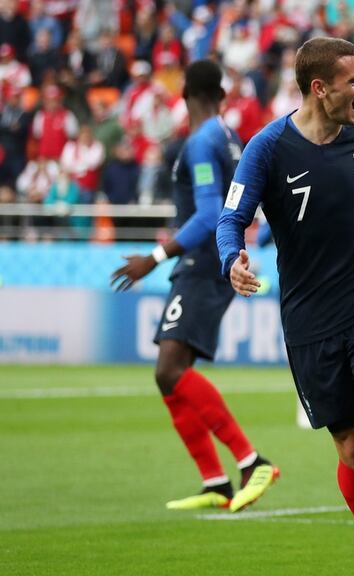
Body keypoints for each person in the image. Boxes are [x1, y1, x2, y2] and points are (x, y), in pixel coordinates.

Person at [215, 37, 354, 576]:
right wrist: (231, 260)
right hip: (308, 317)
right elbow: (230, 219)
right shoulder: (267, 148)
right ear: (320, 87)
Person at [110, 60, 278, 512]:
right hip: (210, 261)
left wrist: (155, 257)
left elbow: (207, 215)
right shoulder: (228, 138)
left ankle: (251, 461)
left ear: (186, 93)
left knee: (169, 369)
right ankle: (216, 481)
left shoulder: (202, 141)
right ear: (222, 95)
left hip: (202, 262)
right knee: (168, 375)